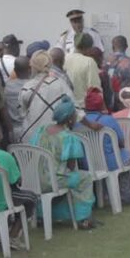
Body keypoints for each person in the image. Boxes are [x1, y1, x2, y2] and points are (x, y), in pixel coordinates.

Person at [29, 96, 97, 229]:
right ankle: (83, 218)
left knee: (71, 179)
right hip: (54, 181)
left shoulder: (41, 130)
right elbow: (71, 167)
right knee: (85, 178)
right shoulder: (68, 137)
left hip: (36, 179)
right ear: (70, 119)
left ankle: (43, 215)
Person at [0, 121, 37, 250]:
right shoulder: (5, 156)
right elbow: (15, 181)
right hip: (3, 200)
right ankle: (13, 235)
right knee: (31, 198)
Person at [83, 87, 130, 204]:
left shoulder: (78, 123)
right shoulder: (108, 120)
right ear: (101, 104)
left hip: (87, 164)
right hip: (110, 162)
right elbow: (121, 142)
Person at [19, 50, 74, 142]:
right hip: (53, 138)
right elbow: (73, 108)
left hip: (29, 139)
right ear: (50, 64)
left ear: (32, 66)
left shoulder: (26, 87)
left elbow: (22, 113)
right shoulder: (60, 84)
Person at [64, 33, 102, 105]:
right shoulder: (89, 62)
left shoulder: (64, 58)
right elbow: (94, 88)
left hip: (66, 107)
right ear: (89, 48)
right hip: (82, 107)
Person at [104, 36, 130, 111]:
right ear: (126, 47)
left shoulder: (105, 62)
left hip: (108, 103)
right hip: (126, 103)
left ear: (112, 47)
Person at [5, 56, 31, 143]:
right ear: (29, 70)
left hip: (13, 128)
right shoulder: (33, 86)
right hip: (30, 128)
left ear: (15, 70)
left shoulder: (7, 86)